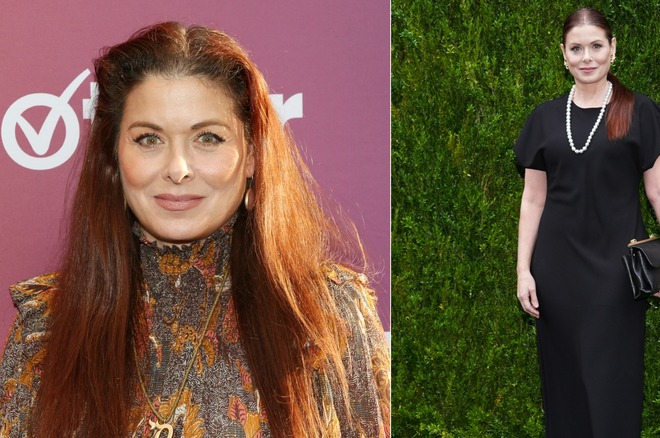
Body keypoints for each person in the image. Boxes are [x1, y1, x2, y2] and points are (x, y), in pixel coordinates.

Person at [0, 22, 389, 437]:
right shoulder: (47, 328)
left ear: (253, 155)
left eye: (208, 138)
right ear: (113, 159)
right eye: (149, 139)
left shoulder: (328, 317)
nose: (178, 169)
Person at [514, 7, 660, 437]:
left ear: (613, 49)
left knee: (613, 386)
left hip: (617, 273)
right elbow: (533, 199)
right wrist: (523, 271)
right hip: (556, 271)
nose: (586, 57)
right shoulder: (544, 119)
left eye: (596, 46)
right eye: (577, 48)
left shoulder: (639, 112)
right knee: (565, 386)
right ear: (563, 54)